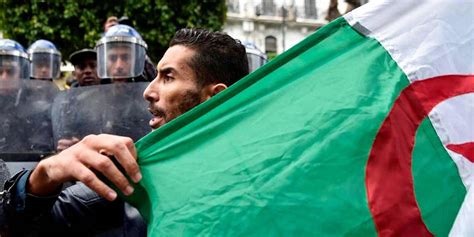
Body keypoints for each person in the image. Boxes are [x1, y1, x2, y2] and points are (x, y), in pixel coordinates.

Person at [2, 28, 248, 236]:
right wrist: (42, 178)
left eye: (168, 77)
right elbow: (29, 224)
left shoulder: (262, 179)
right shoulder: (134, 175)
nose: (148, 91)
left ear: (214, 97)